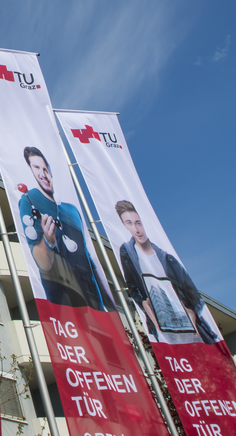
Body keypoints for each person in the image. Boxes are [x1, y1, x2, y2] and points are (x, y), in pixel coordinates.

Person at [18, 147, 114, 311]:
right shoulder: (30, 200)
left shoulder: (72, 210)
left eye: (44, 168)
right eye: (36, 168)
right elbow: (43, 263)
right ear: (30, 169)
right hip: (66, 308)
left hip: (96, 307)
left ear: (50, 171)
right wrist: (48, 242)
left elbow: (89, 259)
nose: (43, 173)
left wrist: (110, 307)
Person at [115, 201, 218, 345]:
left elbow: (192, 294)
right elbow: (132, 287)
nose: (136, 229)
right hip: (163, 332)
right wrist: (142, 303)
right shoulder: (127, 252)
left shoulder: (167, 258)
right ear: (124, 225)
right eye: (129, 223)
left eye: (138, 223)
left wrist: (190, 311)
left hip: (190, 331)